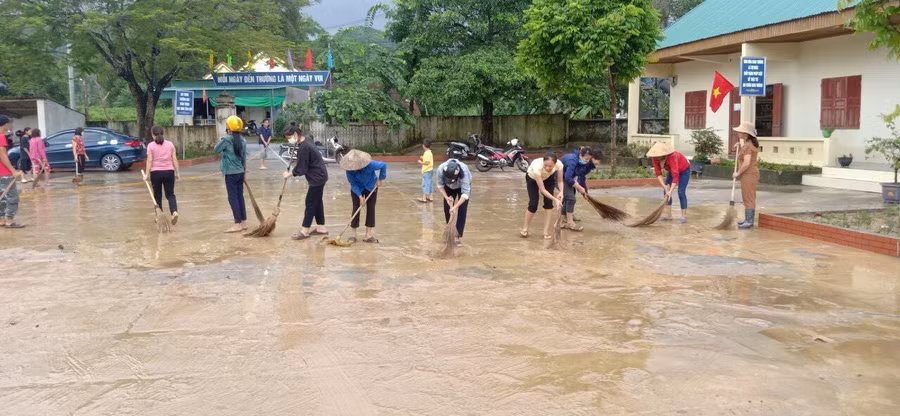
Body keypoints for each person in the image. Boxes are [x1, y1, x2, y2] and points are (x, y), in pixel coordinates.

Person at [282, 122, 329, 240]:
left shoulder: (304, 147)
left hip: (317, 177)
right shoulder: (306, 139)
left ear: (296, 134)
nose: (289, 140)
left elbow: (302, 168)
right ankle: (321, 228)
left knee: (310, 202)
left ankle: (305, 230)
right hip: (320, 175)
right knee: (317, 201)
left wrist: (289, 174)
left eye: (290, 137)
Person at [341, 149, 387, 243]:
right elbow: (353, 184)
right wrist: (360, 196)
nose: (354, 168)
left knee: (371, 208)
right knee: (355, 208)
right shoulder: (349, 170)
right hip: (357, 188)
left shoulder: (370, 164)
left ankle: (368, 235)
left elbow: (383, 165)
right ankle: (353, 235)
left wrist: (380, 178)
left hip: (371, 186)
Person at [215, 115, 249, 233]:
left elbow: (216, 149)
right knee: (240, 196)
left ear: (229, 127)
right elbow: (244, 157)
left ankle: (237, 223)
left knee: (232, 197)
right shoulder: (243, 140)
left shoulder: (227, 140)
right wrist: (244, 171)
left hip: (230, 173)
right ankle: (243, 222)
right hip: (240, 172)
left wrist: (224, 138)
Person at [521, 152, 564, 239]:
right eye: (546, 165)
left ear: (555, 164)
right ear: (543, 162)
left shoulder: (559, 165)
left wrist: (561, 192)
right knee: (533, 204)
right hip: (532, 179)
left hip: (548, 178)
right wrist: (555, 199)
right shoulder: (537, 166)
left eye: (550, 166)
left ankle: (546, 232)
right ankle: (525, 228)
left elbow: (560, 181)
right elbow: (542, 190)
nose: (548, 168)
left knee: (548, 205)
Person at [648, 142, 691, 223]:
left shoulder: (672, 156)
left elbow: (676, 176)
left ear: (663, 154)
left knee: (681, 192)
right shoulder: (654, 158)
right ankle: (669, 216)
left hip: (684, 170)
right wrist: (665, 187)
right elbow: (658, 173)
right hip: (671, 171)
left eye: (658, 155)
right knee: (666, 192)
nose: (656, 157)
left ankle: (683, 216)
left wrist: (671, 191)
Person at [145, 126, 181, 224]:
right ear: (163, 133)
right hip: (169, 172)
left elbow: (149, 160)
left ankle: (159, 216)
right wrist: (177, 172)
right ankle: (174, 212)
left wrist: (146, 174)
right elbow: (174, 159)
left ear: (152, 135)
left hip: (156, 173)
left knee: (157, 195)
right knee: (170, 194)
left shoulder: (151, 146)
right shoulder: (170, 144)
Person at [436, 148, 471, 245]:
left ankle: (458, 236)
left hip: (462, 188)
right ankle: (450, 232)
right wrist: (447, 197)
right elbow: (440, 186)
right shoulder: (440, 169)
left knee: (462, 210)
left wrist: (455, 206)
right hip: (448, 188)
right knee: (447, 208)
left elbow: (465, 194)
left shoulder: (464, 171)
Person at [560, 147, 596, 231]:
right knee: (570, 198)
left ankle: (563, 218)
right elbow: (568, 178)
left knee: (570, 196)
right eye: (586, 159)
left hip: (566, 176)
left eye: (589, 159)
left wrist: (585, 192)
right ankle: (570, 223)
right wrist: (579, 187)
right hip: (558, 177)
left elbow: (581, 177)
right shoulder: (572, 160)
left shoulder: (583, 163)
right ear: (580, 155)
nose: (587, 161)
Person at [733, 121, 760, 229]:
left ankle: (749, 221)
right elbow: (743, 157)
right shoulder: (747, 145)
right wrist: (739, 147)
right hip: (748, 174)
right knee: (747, 197)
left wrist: (738, 173)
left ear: (746, 133)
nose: (738, 133)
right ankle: (747, 219)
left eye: (740, 131)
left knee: (749, 197)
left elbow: (747, 162)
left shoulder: (748, 146)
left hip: (749, 174)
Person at [0, 115, 26, 228]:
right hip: (4, 172)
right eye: (8, 123)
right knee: (13, 196)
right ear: (4, 125)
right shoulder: (1, 136)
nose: (9, 125)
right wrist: (13, 170)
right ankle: (10, 220)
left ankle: (2, 220)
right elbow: (2, 155)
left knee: (3, 196)